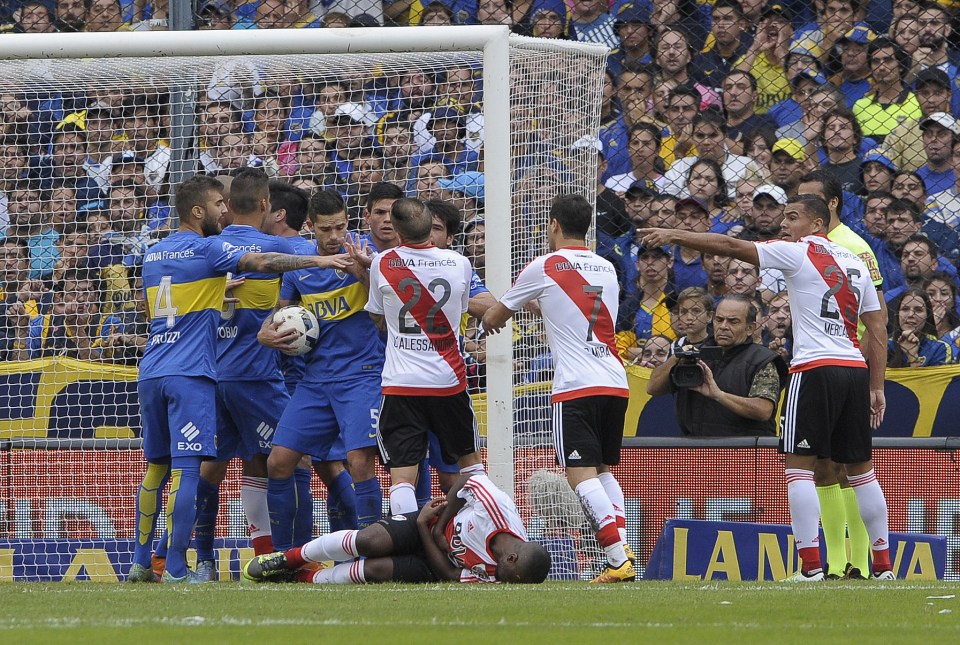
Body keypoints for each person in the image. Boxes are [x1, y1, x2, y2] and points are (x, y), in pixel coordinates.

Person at [638, 194, 895, 581]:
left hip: (814, 369)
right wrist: (877, 386)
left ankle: (810, 567)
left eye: (793, 217)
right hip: (854, 369)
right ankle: (883, 567)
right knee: (862, 472)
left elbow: (729, 245)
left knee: (799, 469)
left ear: (817, 225)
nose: (784, 224)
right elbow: (878, 328)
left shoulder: (797, 252)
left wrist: (673, 234)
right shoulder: (857, 264)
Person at [127, 175, 351, 584]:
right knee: (217, 468)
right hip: (209, 374)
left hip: (155, 369)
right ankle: (192, 566)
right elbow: (262, 263)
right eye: (216, 205)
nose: (223, 213)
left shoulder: (153, 253)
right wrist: (320, 260)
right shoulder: (215, 247)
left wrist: (218, 298)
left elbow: (153, 310)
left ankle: (150, 561)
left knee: (164, 469)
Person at [482, 194, 635, 584]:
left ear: (552, 224)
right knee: (603, 471)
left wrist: (487, 318)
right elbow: (570, 309)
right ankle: (623, 550)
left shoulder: (544, 265)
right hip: (614, 379)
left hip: (576, 386)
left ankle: (617, 557)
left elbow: (497, 315)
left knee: (579, 474)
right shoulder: (606, 267)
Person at [258, 190, 385, 551]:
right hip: (314, 381)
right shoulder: (300, 267)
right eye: (326, 229)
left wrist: (364, 272)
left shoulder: (366, 256)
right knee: (278, 462)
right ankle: (282, 556)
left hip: (361, 375)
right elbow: (282, 314)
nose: (334, 237)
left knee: (360, 463)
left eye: (340, 227)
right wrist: (267, 333)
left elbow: (384, 319)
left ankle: (372, 551)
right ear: (311, 227)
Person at [362, 197, 484, 517]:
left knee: (402, 476)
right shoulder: (460, 263)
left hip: (402, 384)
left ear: (398, 232)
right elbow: (459, 311)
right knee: (471, 467)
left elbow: (378, 319)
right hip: (449, 381)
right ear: (430, 225)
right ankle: (482, 534)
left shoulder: (383, 263)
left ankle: (406, 544)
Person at [242, 472, 551, 585]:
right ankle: (288, 559)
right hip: (432, 522)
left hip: (431, 559)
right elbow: (466, 481)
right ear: (512, 560)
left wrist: (422, 529)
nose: (507, 584)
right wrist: (438, 523)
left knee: (376, 570)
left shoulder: (497, 574)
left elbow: (448, 575)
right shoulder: (497, 508)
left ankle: (305, 577)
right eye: (515, 580)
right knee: (370, 540)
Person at [647, 294, 787, 436]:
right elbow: (653, 388)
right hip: (695, 446)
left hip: (744, 449)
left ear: (750, 328)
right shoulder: (695, 355)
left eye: (733, 321)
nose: (723, 326)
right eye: (719, 320)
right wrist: (676, 358)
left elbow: (763, 410)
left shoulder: (762, 360)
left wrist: (718, 395)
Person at [887, 287, 953, 367]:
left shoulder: (940, 348)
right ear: (897, 314)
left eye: (918, 310)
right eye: (905, 309)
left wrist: (913, 356)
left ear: (928, 316)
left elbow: (932, 379)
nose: (911, 315)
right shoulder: (885, 345)